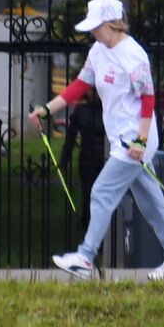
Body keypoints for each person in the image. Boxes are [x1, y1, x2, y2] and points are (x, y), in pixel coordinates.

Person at [28, 0, 164, 280]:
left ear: (114, 24)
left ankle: (86, 257)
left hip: (135, 139)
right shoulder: (98, 51)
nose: (93, 31)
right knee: (152, 203)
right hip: (121, 138)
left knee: (102, 191)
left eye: (97, 26)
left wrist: (141, 140)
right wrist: (46, 109)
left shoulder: (133, 54)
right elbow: (80, 86)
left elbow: (148, 98)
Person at [59, 85, 106, 235]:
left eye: (96, 90)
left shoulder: (108, 109)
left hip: (105, 160)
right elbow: (71, 138)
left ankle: (103, 231)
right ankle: (88, 228)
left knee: (104, 197)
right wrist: (64, 159)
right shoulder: (81, 111)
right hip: (87, 159)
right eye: (90, 90)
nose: (93, 94)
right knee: (88, 195)